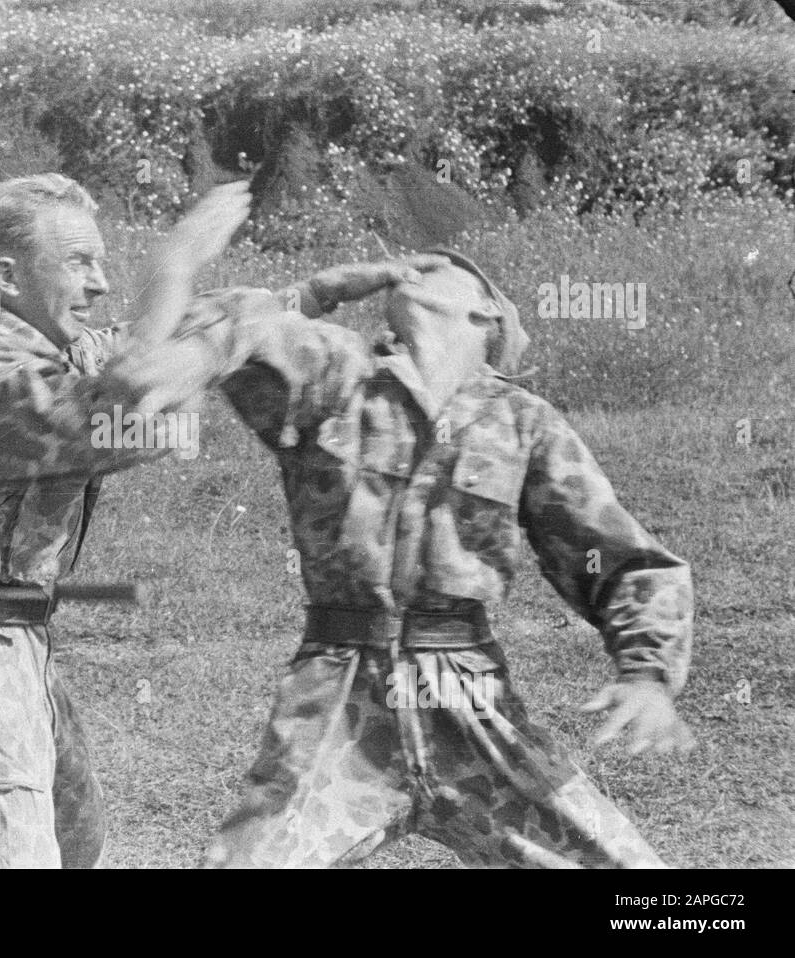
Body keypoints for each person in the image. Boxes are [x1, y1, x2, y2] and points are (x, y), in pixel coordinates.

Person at [203, 249, 696, 868]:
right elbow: (214, 327)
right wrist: (321, 288)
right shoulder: (334, 382)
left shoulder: (522, 421)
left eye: (442, 267)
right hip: (338, 699)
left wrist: (647, 673)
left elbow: (618, 557)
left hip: (469, 700)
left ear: (487, 313)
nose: (415, 266)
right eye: (409, 265)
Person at [0, 174, 262, 868]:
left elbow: (148, 347)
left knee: (77, 841)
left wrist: (272, 308)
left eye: (101, 263)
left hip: (11, 644)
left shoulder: (58, 354)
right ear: (7, 277)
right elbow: (138, 403)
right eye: (79, 262)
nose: (101, 283)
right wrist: (174, 263)